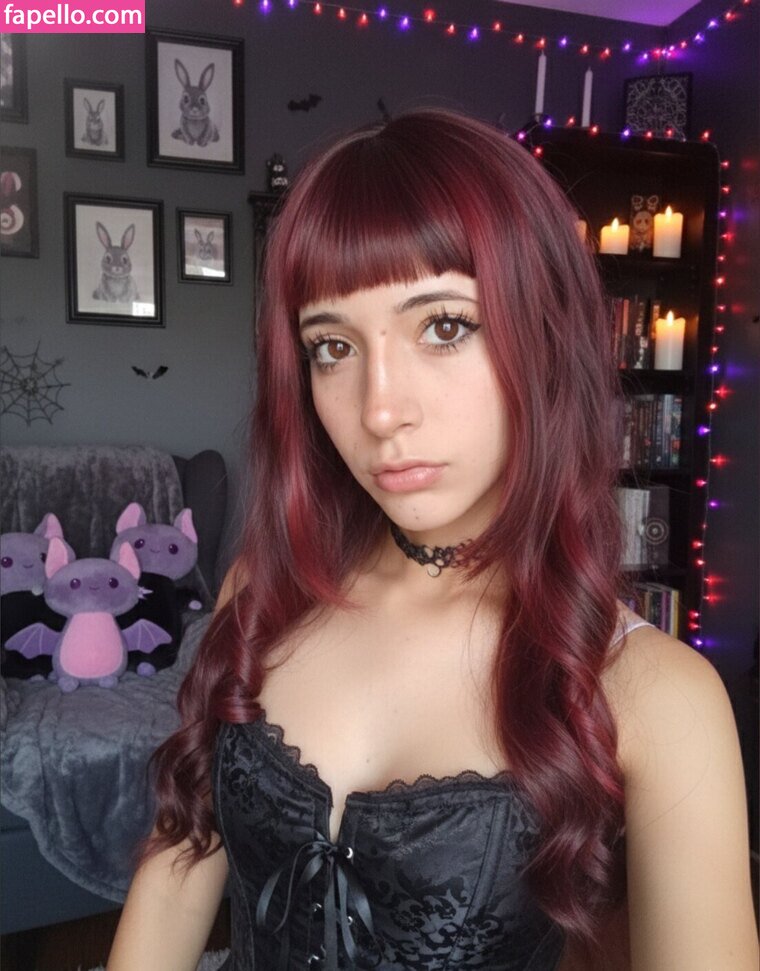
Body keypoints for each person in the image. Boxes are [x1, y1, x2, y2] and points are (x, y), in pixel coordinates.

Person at [107, 108, 759, 971]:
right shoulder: (266, 589)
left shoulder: (655, 694)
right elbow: (180, 865)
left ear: (546, 336)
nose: (380, 409)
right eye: (332, 346)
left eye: (444, 326)